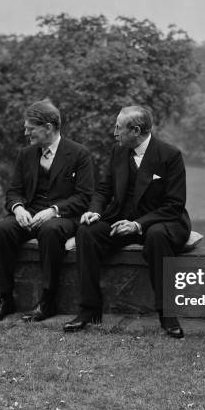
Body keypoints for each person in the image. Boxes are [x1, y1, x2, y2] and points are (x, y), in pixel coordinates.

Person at [63, 105, 191, 339]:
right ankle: (89, 309)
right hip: (121, 219)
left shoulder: (170, 155)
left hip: (160, 221)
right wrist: (95, 211)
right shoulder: (118, 152)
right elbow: (103, 189)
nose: (114, 133)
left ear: (135, 130)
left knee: (157, 237)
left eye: (118, 128)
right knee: (87, 232)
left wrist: (138, 224)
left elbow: (174, 204)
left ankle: (167, 314)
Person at [0, 100, 94, 322]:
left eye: (30, 128)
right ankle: (5, 297)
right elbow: (14, 190)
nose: (26, 133)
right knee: (1, 229)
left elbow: (84, 197)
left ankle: (48, 300)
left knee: (50, 231)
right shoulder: (26, 154)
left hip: (62, 217)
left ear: (48, 127)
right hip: (30, 213)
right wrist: (18, 209)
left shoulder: (79, 154)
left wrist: (54, 210)